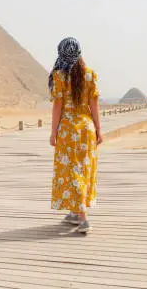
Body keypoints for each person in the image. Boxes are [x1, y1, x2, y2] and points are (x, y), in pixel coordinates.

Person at [49, 37, 102, 234]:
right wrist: (98, 129)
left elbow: (57, 106)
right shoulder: (90, 75)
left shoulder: (60, 76)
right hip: (86, 128)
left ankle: (83, 217)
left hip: (68, 129)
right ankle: (75, 211)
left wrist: (53, 132)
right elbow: (93, 105)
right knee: (83, 169)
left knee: (72, 170)